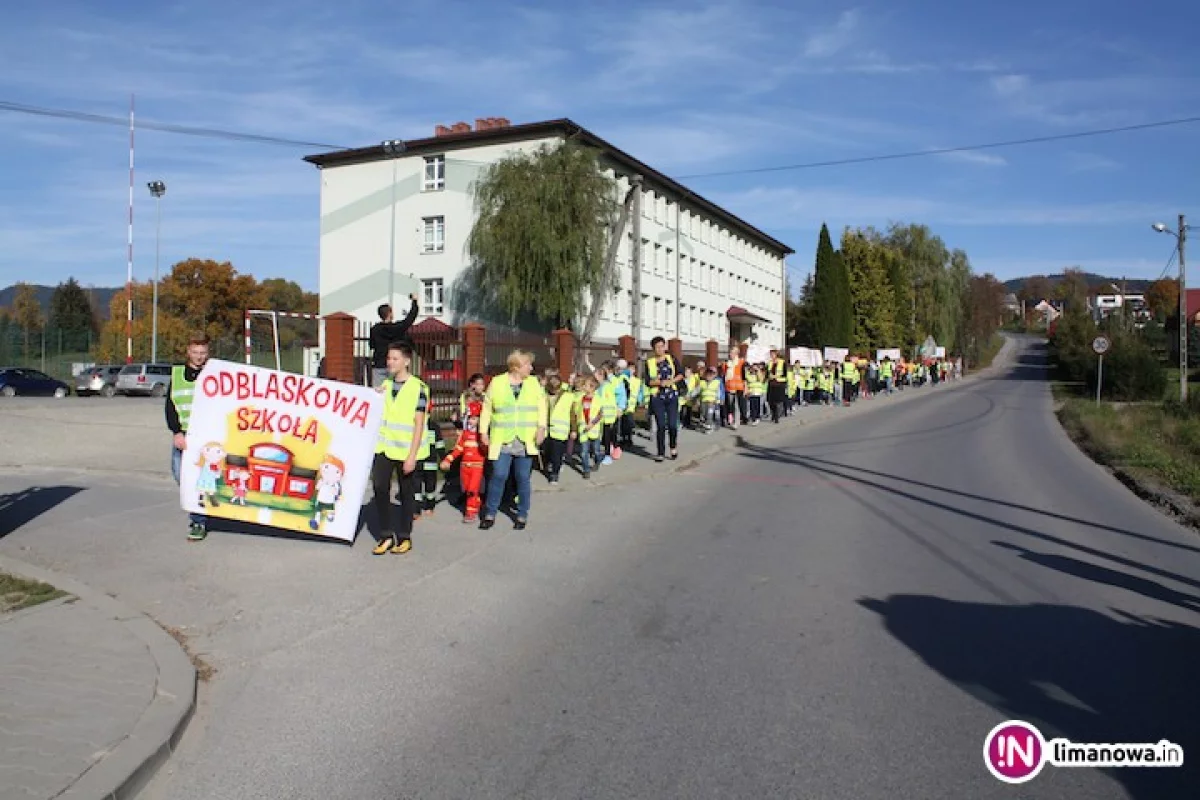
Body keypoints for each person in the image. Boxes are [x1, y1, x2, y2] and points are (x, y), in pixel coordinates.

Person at [371, 342, 429, 555]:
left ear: (406, 361)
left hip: (406, 451)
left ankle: (404, 536)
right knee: (379, 487)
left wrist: (412, 456)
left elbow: (419, 423)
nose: (390, 362)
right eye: (388, 358)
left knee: (406, 494)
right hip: (384, 448)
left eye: (394, 358)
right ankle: (385, 534)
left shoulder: (419, 388)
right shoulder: (384, 386)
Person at [479, 349, 547, 531]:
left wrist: (541, 428)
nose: (531, 367)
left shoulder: (533, 383)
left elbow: (542, 406)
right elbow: (487, 408)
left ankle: (522, 514)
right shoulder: (497, 382)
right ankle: (490, 512)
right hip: (502, 439)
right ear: (516, 367)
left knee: (522, 477)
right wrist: (483, 431)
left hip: (526, 439)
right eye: (527, 364)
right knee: (499, 475)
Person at [166, 332, 212, 542]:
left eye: (203, 352)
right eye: (195, 352)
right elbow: (170, 407)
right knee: (181, 476)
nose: (199, 356)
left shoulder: (215, 373)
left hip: (207, 438)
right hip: (184, 437)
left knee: (201, 481)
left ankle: (198, 521)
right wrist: (176, 431)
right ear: (188, 352)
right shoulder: (176, 374)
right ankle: (200, 511)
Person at [440, 400, 487, 523]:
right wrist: (448, 460)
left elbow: (486, 449)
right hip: (464, 466)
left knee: (472, 489)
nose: (472, 421)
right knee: (466, 489)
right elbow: (458, 449)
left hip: (477, 467)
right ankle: (476, 502)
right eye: (470, 418)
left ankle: (470, 513)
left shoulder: (482, 435)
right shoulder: (465, 434)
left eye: (475, 419)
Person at [642, 336, 684, 462]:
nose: (660, 349)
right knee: (660, 425)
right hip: (657, 397)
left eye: (662, 346)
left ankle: (673, 446)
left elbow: (680, 374)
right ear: (653, 349)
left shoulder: (671, 359)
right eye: (657, 347)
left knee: (672, 425)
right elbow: (648, 381)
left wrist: (671, 381)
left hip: (671, 395)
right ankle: (660, 452)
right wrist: (660, 383)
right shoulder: (649, 362)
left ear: (665, 346)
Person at [369, 295, 419, 388]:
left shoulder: (374, 329)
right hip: (394, 363)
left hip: (379, 364)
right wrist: (414, 302)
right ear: (390, 313)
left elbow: (371, 345)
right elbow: (410, 319)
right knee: (396, 391)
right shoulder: (397, 328)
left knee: (379, 393)